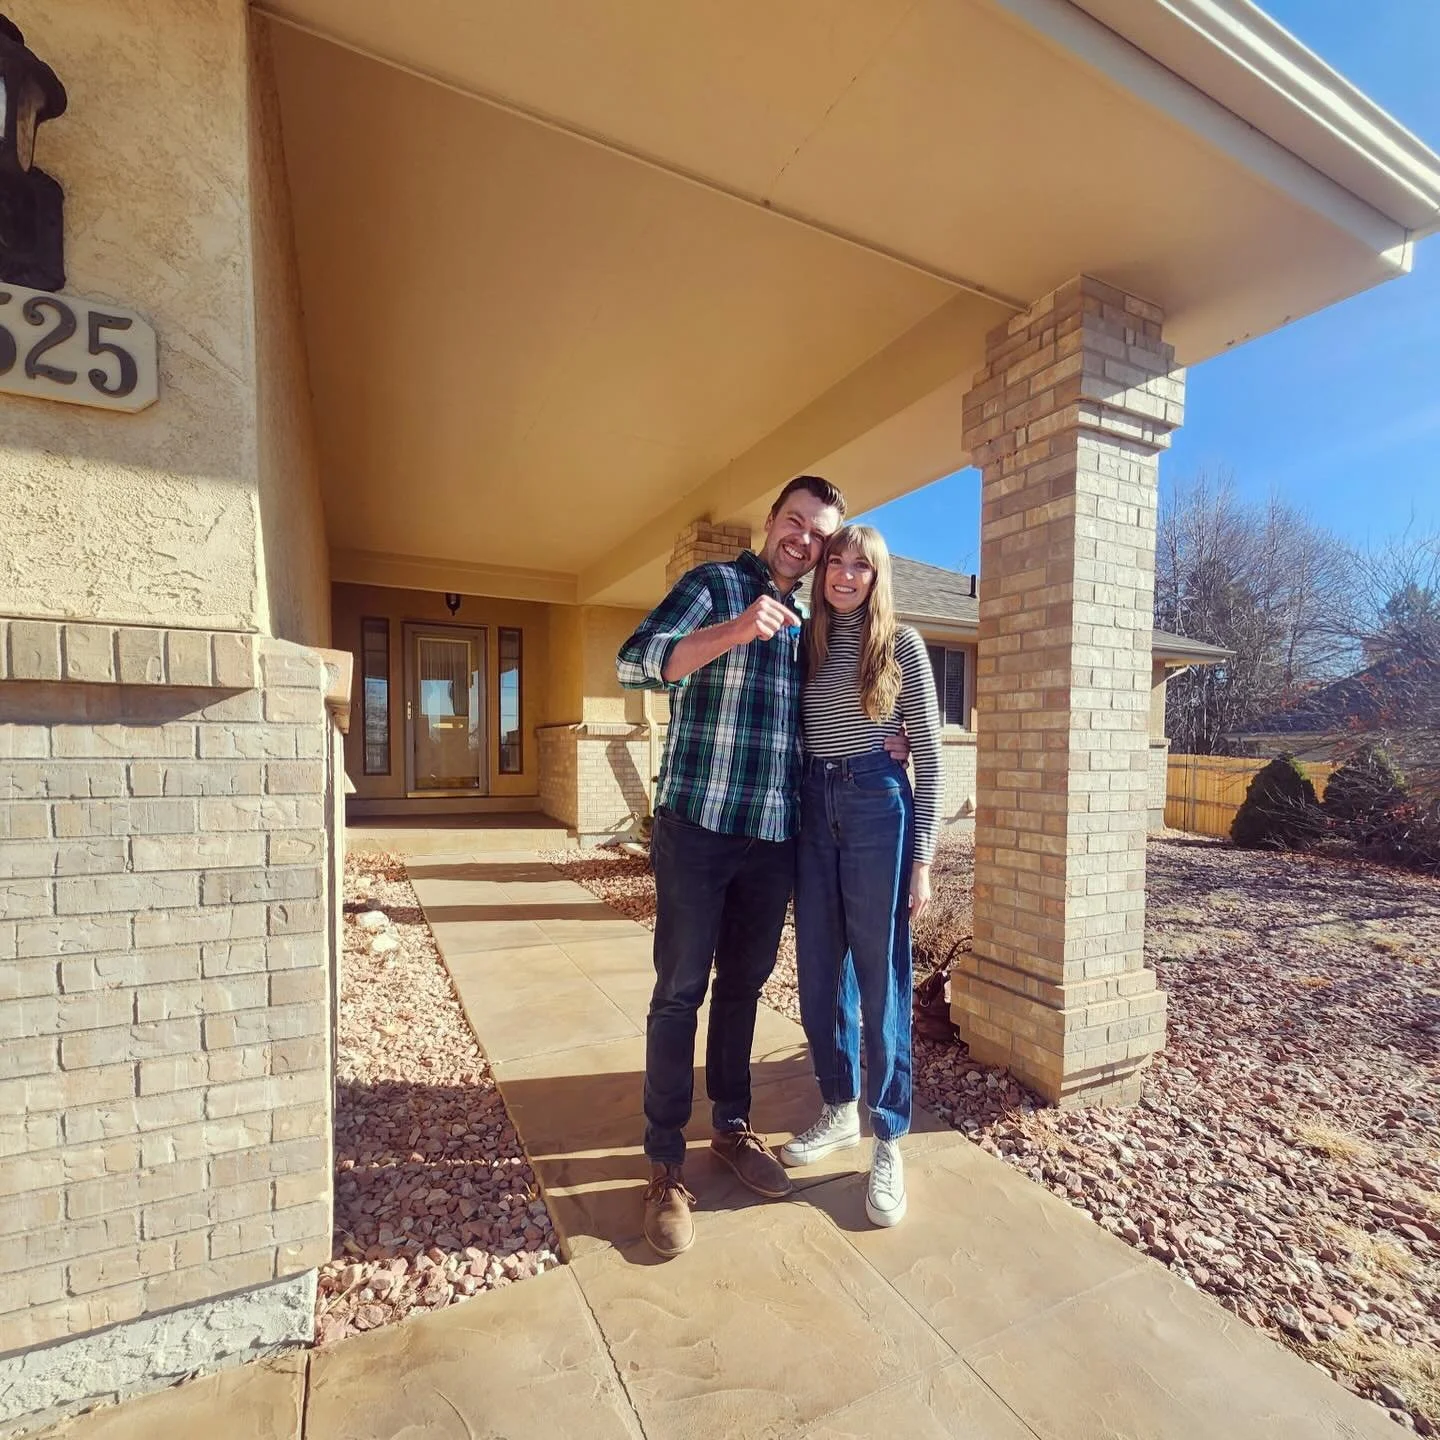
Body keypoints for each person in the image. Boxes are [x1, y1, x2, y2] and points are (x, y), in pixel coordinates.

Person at [615, 476, 846, 1259]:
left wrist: (890, 739)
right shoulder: (715, 585)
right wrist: (735, 629)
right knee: (680, 990)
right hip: (698, 826)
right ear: (772, 521)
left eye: (818, 533)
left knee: (744, 987)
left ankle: (733, 1128)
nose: (804, 541)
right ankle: (664, 1163)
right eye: (795, 522)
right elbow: (638, 663)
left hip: (773, 833)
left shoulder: (816, 619)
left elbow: (841, 705)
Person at [779, 524, 941, 1229]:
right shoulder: (804, 645)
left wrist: (925, 859)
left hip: (879, 805)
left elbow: (931, 756)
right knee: (819, 972)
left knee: (881, 978)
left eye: (861, 567)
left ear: (878, 579)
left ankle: (889, 1138)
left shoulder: (901, 646)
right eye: (836, 563)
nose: (845, 575)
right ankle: (839, 1108)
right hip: (815, 806)